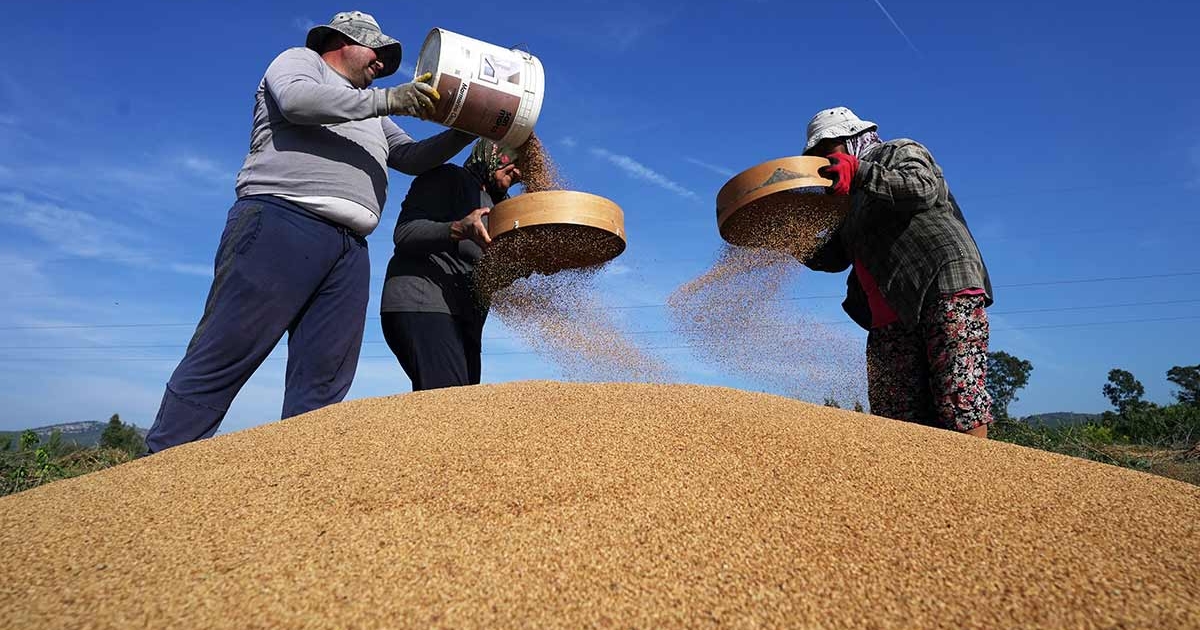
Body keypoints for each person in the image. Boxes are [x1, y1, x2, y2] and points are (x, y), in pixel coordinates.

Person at [144, 11, 477, 453]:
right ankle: (163, 459)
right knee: (228, 349)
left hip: (350, 249)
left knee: (324, 372)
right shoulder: (302, 63)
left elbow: (412, 157)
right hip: (282, 221)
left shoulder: (372, 111)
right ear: (342, 42)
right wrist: (388, 99)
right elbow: (297, 102)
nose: (381, 64)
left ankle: (299, 471)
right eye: (376, 52)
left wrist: (466, 128)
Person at [801, 107, 995, 438]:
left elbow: (922, 188)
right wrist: (789, 244)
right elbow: (835, 257)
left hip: (942, 284)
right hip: (888, 311)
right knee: (895, 414)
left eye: (827, 150)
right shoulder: (848, 202)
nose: (823, 161)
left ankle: (977, 471)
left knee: (958, 397)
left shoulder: (897, 151)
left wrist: (860, 171)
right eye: (816, 156)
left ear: (851, 139)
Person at [380, 139, 521, 390]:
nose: (518, 171)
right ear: (493, 152)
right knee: (449, 401)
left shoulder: (503, 209)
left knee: (463, 403)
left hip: (466, 319)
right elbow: (405, 233)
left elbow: (489, 276)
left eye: (524, 166)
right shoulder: (449, 178)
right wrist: (459, 228)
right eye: (513, 159)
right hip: (424, 304)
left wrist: (532, 264)